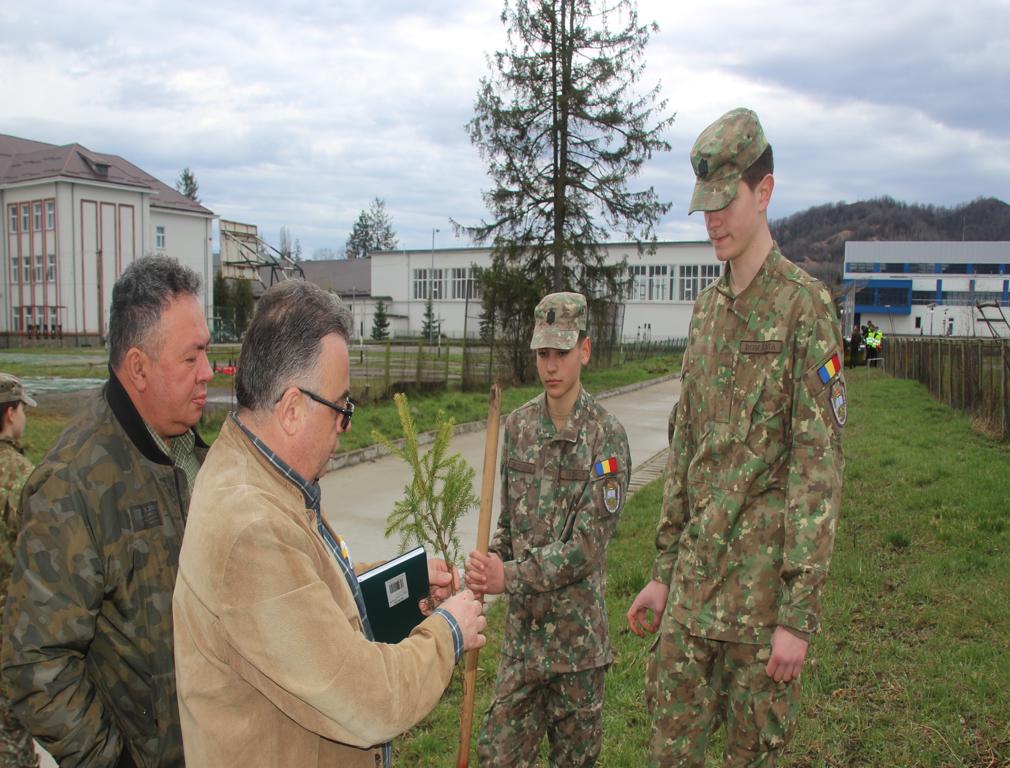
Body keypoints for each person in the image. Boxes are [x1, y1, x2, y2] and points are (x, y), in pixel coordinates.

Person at [172, 280, 486, 768]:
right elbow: (370, 702)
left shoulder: (259, 476)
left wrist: (399, 584)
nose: (346, 425)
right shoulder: (251, 528)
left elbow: (302, 596)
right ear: (293, 409)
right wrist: (450, 631)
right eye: (341, 409)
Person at [626, 107, 845, 766]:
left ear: (764, 191)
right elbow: (686, 451)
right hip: (692, 597)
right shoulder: (706, 314)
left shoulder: (805, 309)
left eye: (726, 203)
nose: (712, 220)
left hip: (760, 608)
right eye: (705, 206)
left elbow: (817, 472)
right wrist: (663, 573)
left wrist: (797, 616)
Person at [2, 256, 213, 768]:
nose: (208, 372)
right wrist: (111, 761)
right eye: (191, 358)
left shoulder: (194, 454)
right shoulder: (72, 486)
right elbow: (35, 665)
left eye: (206, 352)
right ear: (138, 368)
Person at [466, 292, 631, 767]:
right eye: (543, 353)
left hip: (577, 649)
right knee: (496, 757)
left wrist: (509, 576)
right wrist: (488, 564)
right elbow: (509, 527)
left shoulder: (606, 436)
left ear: (585, 350)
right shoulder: (517, 428)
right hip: (522, 645)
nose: (551, 366)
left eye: (562, 352)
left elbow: (586, 547)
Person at [0, 374, 38, 768]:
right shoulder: (23, 477)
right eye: (22, 409)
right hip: (9, 635)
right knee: (12, 741)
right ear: (11, 413)